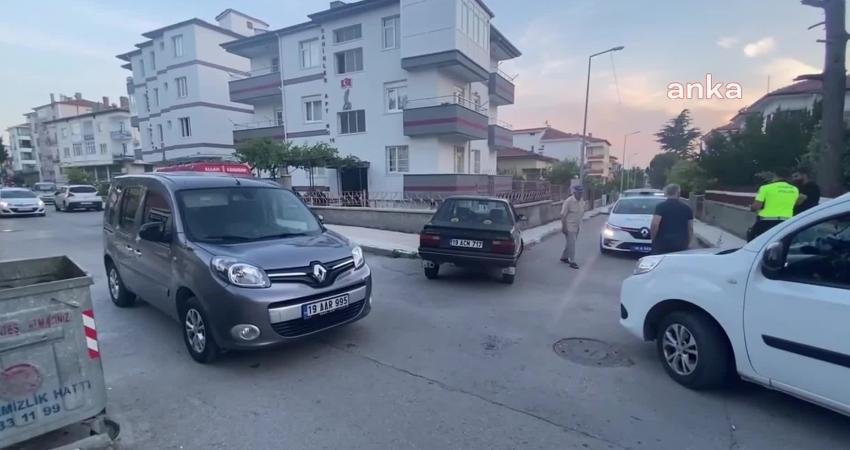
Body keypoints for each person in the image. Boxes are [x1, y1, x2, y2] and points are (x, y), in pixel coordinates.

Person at [748, 171, 805, 241]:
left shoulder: (765, 188)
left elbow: (757, 206)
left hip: (766, 221)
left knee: (752, 239)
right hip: (786, 221)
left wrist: (751, 208)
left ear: (776, 176)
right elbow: (796, 203)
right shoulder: (794, 189)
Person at [650, 184, 694, 254]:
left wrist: (653, 239)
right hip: (681, 243)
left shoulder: (660, 207)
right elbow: (690, 228)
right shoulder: (687, 208)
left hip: (662, 243)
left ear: (666, 193)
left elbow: (655, 225)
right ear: (678, 193)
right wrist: (689, 243)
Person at [560, 185, 585, 269]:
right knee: (572, 244)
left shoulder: (581, 200)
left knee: (570, 243)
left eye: (581, 192)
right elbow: (563, 215)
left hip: (577, 226)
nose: (580, 194)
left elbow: (581, 212)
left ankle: (564, 257)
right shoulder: (568, 201)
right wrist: (564, 227)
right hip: (569, 226)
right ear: (574, 192)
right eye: (579, 192)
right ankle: (572, 261)